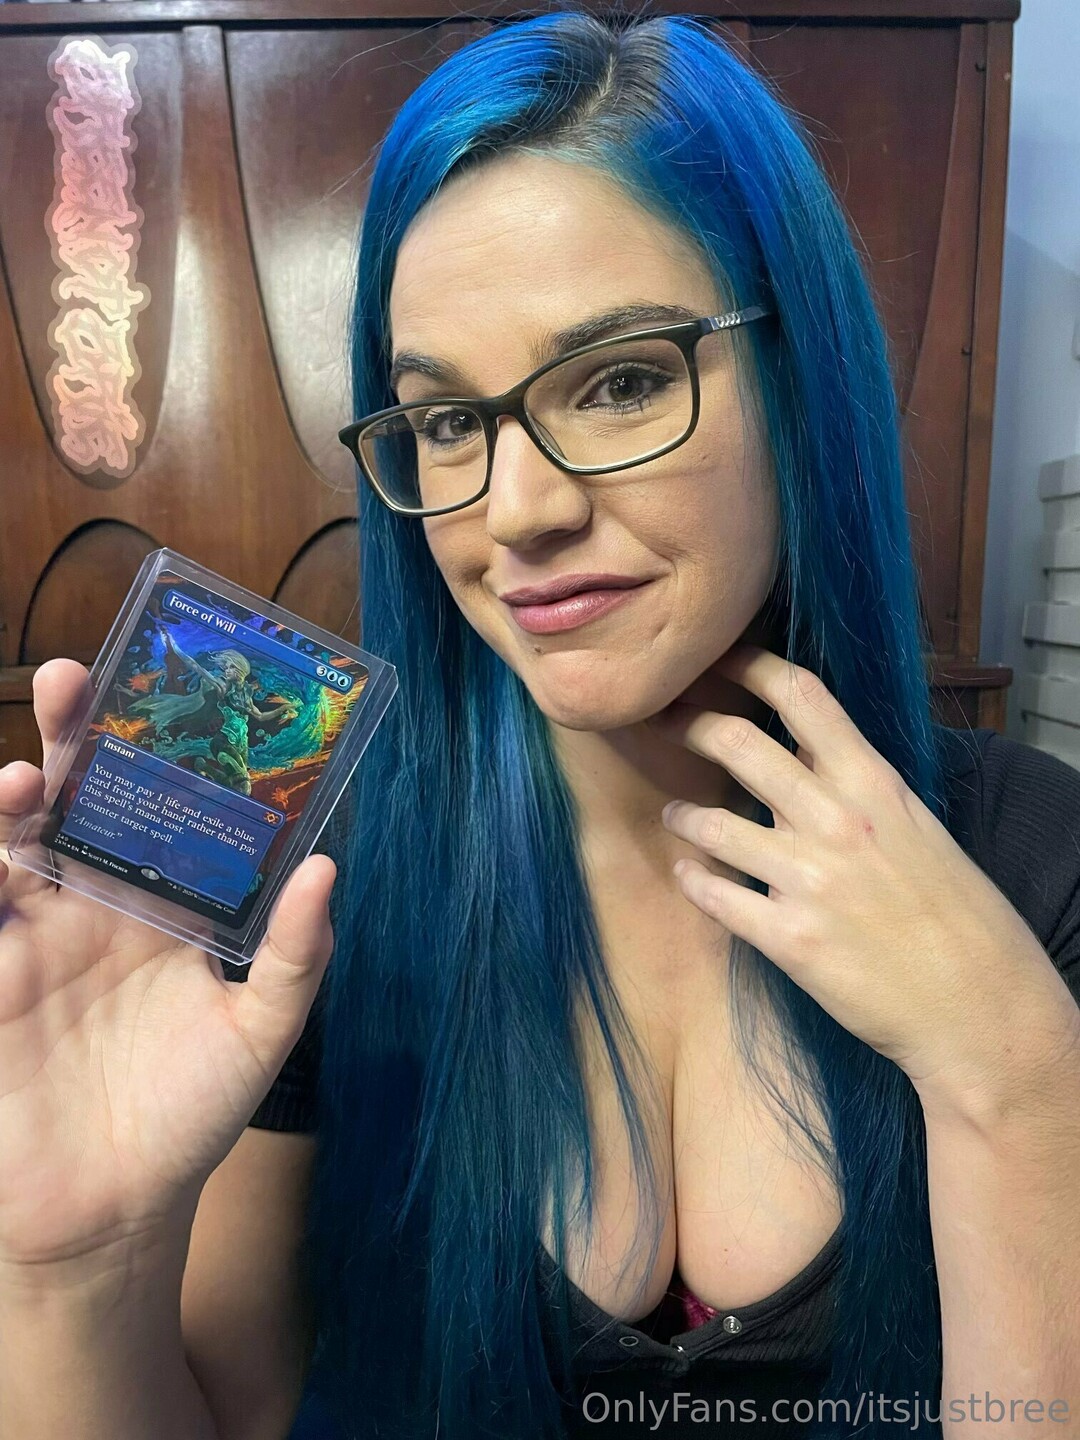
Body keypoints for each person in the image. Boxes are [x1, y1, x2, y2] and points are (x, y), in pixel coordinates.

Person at [0, 10, 1078, 1440]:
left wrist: (1018, 1076)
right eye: (447, 422)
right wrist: (70, 1268)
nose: (516, 514)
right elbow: (237, 1413)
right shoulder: (319, 883)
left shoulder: (1031, 860)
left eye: (622, 380)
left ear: (801, 384)